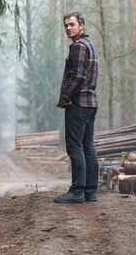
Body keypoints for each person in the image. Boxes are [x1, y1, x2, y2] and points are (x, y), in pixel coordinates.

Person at [53, 12, 99, 203]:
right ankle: (90, 191)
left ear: (82, 25)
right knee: (87, 146)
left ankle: (77, 191)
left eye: (72, 24)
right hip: (90, 103)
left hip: (78, 103)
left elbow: (78, 76)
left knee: (75, 147)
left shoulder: (79, 47)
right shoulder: (90, 45)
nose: (68, 28)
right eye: (66, 25)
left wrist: (65, 95)